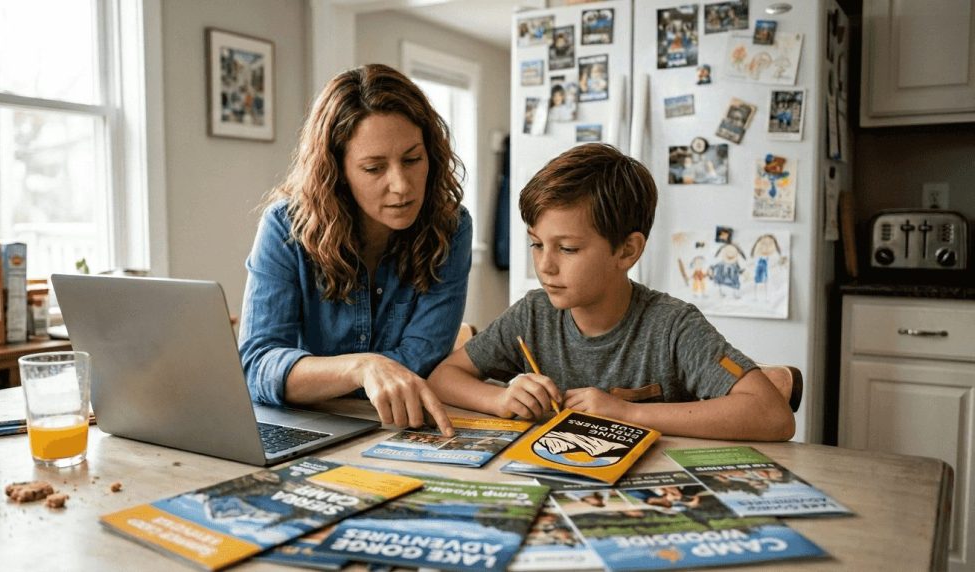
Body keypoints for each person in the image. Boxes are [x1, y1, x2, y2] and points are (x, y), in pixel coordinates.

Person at [427, 144, 794, 441]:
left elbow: (772, 415)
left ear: (627, 251)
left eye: (567, 249)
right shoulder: (532, 315)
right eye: (537, 244)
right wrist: (500, 398)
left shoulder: (672, 326)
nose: (545, 266)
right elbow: (443, 378)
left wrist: (628, 413)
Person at [239, 64, 472, 437]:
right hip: (304, 429)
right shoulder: (284, 227)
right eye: (374, 168)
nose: (401, 185)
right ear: (338, 172)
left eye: (412, 159)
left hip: (397, 428)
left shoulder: (451, 228)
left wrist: (308, 377)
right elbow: (257, 367)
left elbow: (419, 360)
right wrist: (362, 368)